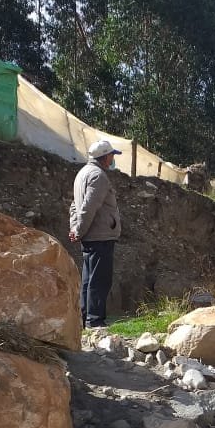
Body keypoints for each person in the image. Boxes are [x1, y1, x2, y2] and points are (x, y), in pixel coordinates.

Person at [69, 139, 122, 328]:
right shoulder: (98, 176)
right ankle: (95, 321)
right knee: (99, 280)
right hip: (100, 236)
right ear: (106, 156)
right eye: (112, 155)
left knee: (88, 280)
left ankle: (84, 320)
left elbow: (75, 206)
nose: (113, 158)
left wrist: (76, 228)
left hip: (90, 235)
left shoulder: (81, 174)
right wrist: (80, 229)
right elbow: (89, 207)